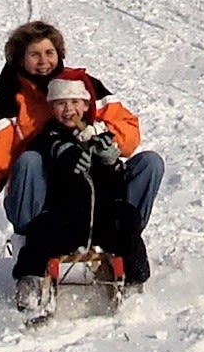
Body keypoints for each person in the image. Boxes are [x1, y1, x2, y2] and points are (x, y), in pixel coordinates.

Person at [0, 21, 163, 257]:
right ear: (19, 59)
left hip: (90, 188)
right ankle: (30, 245)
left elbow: (127, 128)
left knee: (151, 163)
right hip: (40, 193)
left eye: (49, 53)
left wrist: (104, 136)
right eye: (34, 55)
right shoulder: (10, 101)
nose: (43, 61)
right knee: (29, 160)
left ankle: (123, 237)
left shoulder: (82, 86)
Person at [8, 78, 151, 313]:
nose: (68, 109)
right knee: (41, 231)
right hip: (66, 218)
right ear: (52, 107)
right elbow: (52, 148)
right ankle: (30, 283)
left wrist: (109, 160)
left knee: (127, 218)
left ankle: (135, 280)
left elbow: (114, 181)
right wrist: (67, 154)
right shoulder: (48, 135)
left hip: (101, 221)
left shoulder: (97, 133)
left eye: (75, 102)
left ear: (85, 106)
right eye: (61, 103)